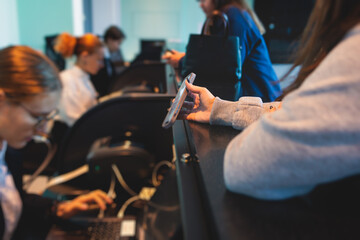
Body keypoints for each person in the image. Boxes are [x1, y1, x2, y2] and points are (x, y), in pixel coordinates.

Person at [180, 0, 360, 200]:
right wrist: (217, 108)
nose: (200, 4)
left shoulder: (354, 55)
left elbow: (243, 167)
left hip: (260, 92)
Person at [0, 46, 112, 240]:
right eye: (37, 117)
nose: (42, 131)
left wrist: (60, 209)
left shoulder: (8, 150)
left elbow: (12, 201)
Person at [163, 0, 281, 102]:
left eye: (203, 0)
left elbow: (222, 65)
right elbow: (219, 55)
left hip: (261, 99)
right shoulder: (233, 12)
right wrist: (186, 57)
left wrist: (182, 61)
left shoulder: (231, 15)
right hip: (258, 95)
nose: (200, 5)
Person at [54, 32, 104, 126]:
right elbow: (74, 119)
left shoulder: (85, 79)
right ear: (85, 56)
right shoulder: (67, 80)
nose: (102, 65)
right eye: (98, 59)